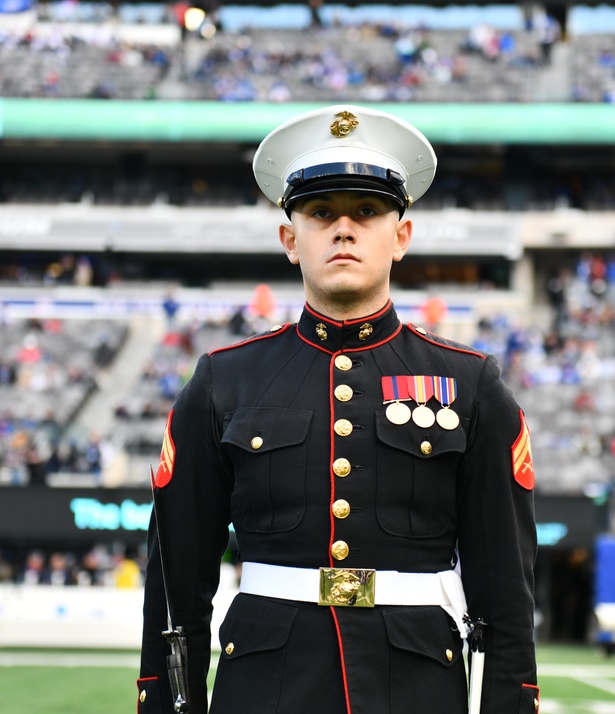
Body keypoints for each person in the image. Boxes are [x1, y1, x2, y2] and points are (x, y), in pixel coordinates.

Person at [138, 105, 540, 713]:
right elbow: (176, 585)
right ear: (290, 240)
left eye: (368, 212)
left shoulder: (470, 384)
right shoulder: (225, 381)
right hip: (263, 688)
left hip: (417, 690)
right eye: (322, 214)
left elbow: (505, 590)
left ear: (400, 237)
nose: (344, 229)